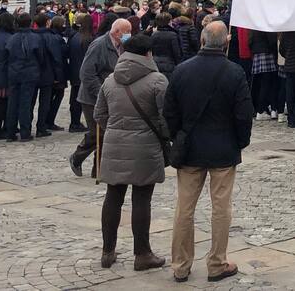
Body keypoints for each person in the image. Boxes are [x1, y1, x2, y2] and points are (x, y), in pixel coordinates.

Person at [165, 22, 253, 283]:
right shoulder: (234, 72)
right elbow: (244, 114)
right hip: (223, 148)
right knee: (221, 208)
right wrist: (240, 141)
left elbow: (169, 111)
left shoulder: (182, 70)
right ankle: (216, 262)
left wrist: (178, 136)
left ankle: (180, 265)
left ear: (202, 40)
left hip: (191, 147)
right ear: (225, 42)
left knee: (184, 208)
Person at [94, 32, 169, 271]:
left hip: (114, 143)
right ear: (148, 54)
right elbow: (166, 117)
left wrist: (116, 129)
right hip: (145, 145)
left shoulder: (109, 80)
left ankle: (107, 250)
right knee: (141, 199)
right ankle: (142, 252)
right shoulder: (157, 80)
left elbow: (99, 114)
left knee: (113, 197)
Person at [70, 18, 131, 177]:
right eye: (127, 32)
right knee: (101, 133)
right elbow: (87, 73)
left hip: (111, 95)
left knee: (100, 132)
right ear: (116, 32)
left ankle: (95, 168)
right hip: (92, 97)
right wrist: (102, 94)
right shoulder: (99, 45)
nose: (129, 35)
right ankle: (84, 161)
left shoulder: (122, 45)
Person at [4, 14, 43, 142]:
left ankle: (10, 132)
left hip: (14, 72)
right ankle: (25, 132)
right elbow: (40, 56)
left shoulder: (12, 38)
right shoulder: (35, 38)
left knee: (12, 102)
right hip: (29, 73)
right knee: (25, 103)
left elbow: (7, 55)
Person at [36, 15, 69, 137]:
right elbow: (58, 57)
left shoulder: (38, 35)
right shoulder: (55, 38)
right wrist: (58, 76)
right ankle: (44, 124)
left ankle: (40, 124)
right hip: (51, 73)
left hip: (40, 73)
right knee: (47, 100)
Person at [66, 14, 94, 133]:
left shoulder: (74, 37)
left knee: (74, 98)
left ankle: (75, 122)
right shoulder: (87, 39)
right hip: (82, 72)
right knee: (79, 99)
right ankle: (75, 123)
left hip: (74, 71)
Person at [248, 29, 280, 120]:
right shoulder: (266, 25)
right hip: (268, 53)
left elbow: (249, 42)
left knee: (262, 84)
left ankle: (271, 109)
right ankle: (262, 111)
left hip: (257, 55)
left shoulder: (253, 27)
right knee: (269, 84)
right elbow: (272, 41)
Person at [148, 14, 183, 81]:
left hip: (155, 63)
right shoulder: (173, 35)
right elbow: (177, 53)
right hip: (170, 64)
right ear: (168, 22)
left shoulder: (154, 34)